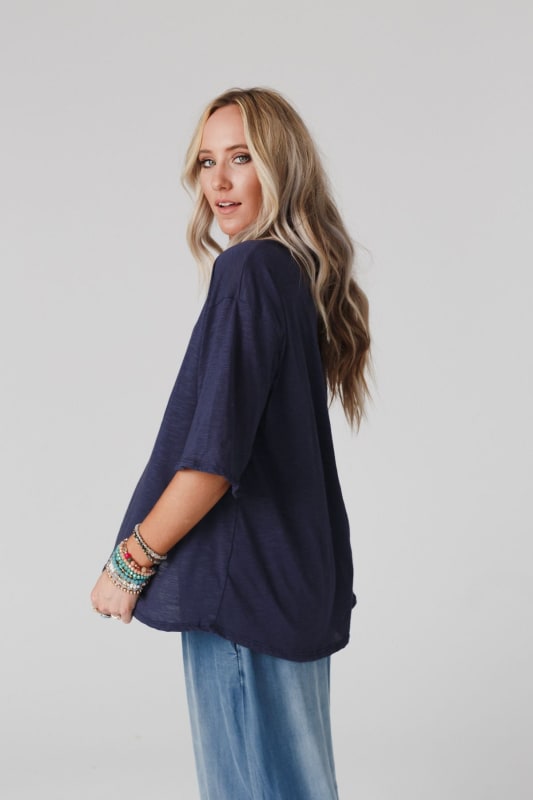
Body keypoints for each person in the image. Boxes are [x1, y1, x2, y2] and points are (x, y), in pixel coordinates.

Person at [90, 86, 371, 800]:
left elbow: (214, 460)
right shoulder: (290, 275)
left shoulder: (248, 271)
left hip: (241, 590)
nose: (218, 181)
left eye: (241, 158)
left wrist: (129, 563)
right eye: (206, 161)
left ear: (281, 167)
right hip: (287, 582)